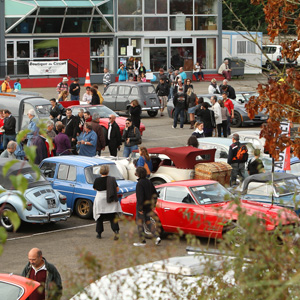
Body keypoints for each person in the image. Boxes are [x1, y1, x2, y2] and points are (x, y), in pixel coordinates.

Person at [93, 165, 122, 240]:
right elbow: (117, 189)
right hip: (110, 198)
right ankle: (116, 232)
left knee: (100, 217)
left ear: (100, 171)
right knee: (112, 217)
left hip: (100, 199)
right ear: (108, 171)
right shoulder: (112, 179)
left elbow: (94, 188)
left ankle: (99, 233)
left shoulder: (97, 180)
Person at [133, 166, 160, 247]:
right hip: (149, 206)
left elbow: (140, 197)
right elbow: (155, 194)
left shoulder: (140, 183)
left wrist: (140, 208)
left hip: (142, 207)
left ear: (138, 174)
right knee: (148, 222)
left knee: (140, 223)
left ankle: (142, 241)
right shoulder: (149, 182)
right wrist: (153, 204)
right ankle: (156, 236)